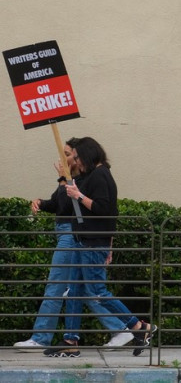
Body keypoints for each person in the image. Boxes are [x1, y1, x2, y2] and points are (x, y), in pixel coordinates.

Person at [48, 137, 156, 358]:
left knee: (97, 291)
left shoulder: (100, 175)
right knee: (75, 291)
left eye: (76, 157)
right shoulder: (90, 176)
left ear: (87, 155)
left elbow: (105, 210)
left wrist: (79, 195)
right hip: (84, 241)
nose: (75, 161)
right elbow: (66, 207)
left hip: (92, 243)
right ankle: (70, 341)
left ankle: (138, 327)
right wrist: (65, 180)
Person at [14, 138, 83, 350]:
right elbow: (57, 204)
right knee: (84, 288)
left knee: (56, 286)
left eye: (67, 154)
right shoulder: (70, 179)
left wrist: (63, 178)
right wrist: (41, 203)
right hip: (65, 233)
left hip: (70, 235)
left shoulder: (78, 180)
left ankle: (41, 338)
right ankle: (126, 328)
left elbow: (68, 206)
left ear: (77, 158)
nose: (63, 158)